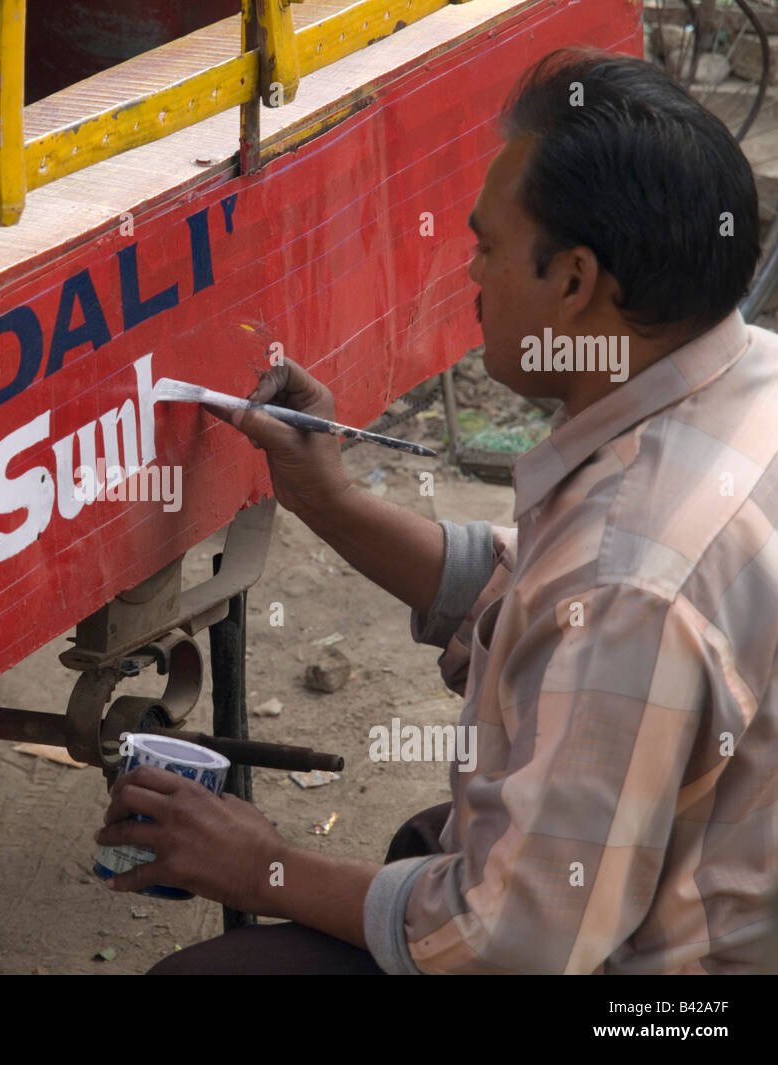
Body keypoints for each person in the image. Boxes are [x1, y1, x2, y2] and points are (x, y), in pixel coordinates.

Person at [93, 47, 778, 974]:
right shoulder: (743, 381)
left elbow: (510, 941)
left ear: (575, 283)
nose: (471, 274)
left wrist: (263, 868)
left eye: (488, 248)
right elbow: (531, 590)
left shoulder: (631, 580)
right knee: (426, 840)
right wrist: (327, 498)